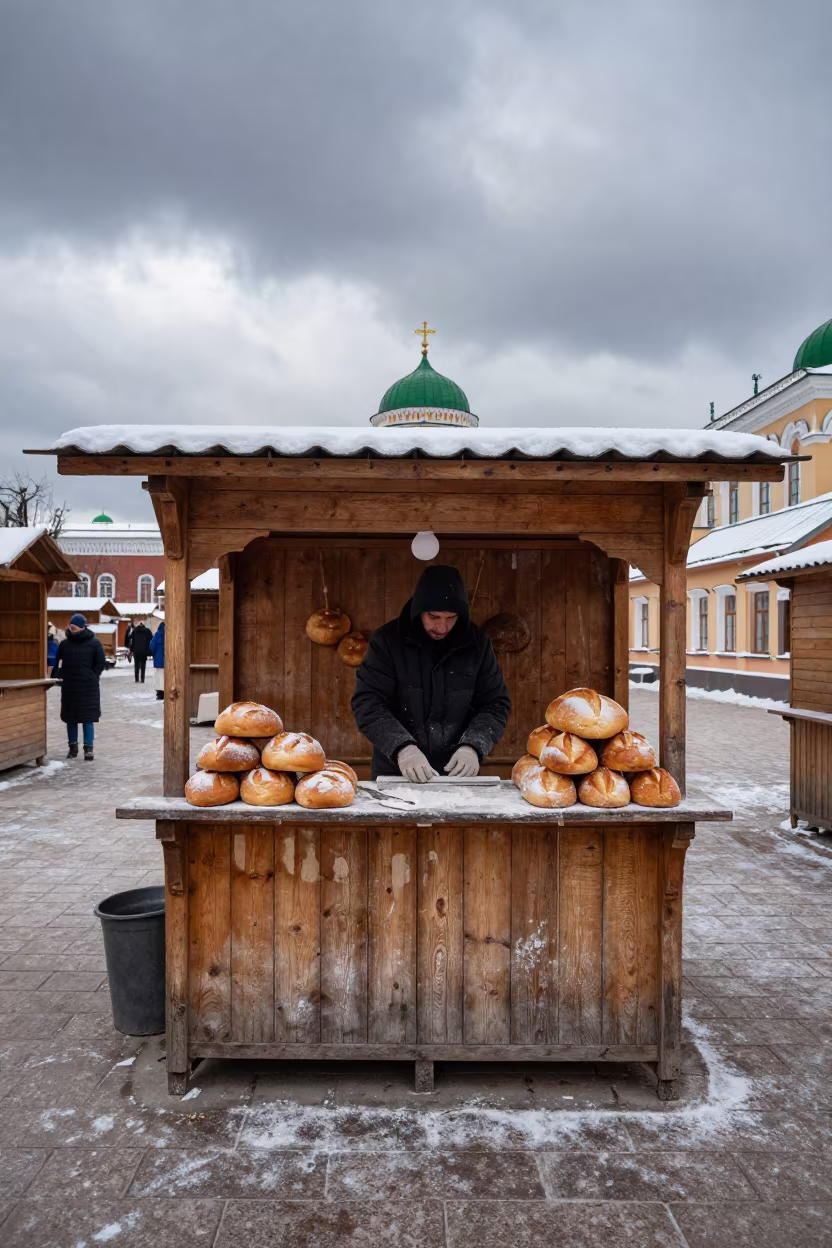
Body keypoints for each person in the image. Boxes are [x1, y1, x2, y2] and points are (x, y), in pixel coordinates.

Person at [352, 564, 511, 781]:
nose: (442, 627)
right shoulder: (387, 641)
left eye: (451, 618)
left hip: (458, 771)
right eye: (434, 617)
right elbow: (367, 703)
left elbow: (495, 704)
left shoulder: (478, 644)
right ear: (419, 611)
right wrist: (402, 748)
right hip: (397, 770)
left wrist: (473, 746)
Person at [50, 613, 106, 761]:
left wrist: (92, 676)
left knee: (88, 719)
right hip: (70, 687)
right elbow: (58, 663)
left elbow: (100, 662)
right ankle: (73, 748)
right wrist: (60, 676)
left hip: (88, 687)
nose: (71, 628)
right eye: (70, 625)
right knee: (71, 718)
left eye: (74, 626)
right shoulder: (65, 644)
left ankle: (88, 749)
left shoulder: (94, 643)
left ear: (82, 627)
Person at [129, 617, 153, 684]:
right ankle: (142, 679)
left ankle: (136, 679)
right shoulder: (147, 631)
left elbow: (132, 641)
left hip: (136, 651)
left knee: (136, 665)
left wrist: (131, 650)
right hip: (144, 651)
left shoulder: (135, 631)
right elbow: (151, 640)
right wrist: (149, 649)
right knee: (143, 665)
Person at [149, 619, 165, 701]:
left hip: (158, 660)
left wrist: (154, 654)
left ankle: (160, 692)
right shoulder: (169, 635)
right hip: (167, 661)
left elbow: (152, 646)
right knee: (166, 676)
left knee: (159, 677)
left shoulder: (157, 635)